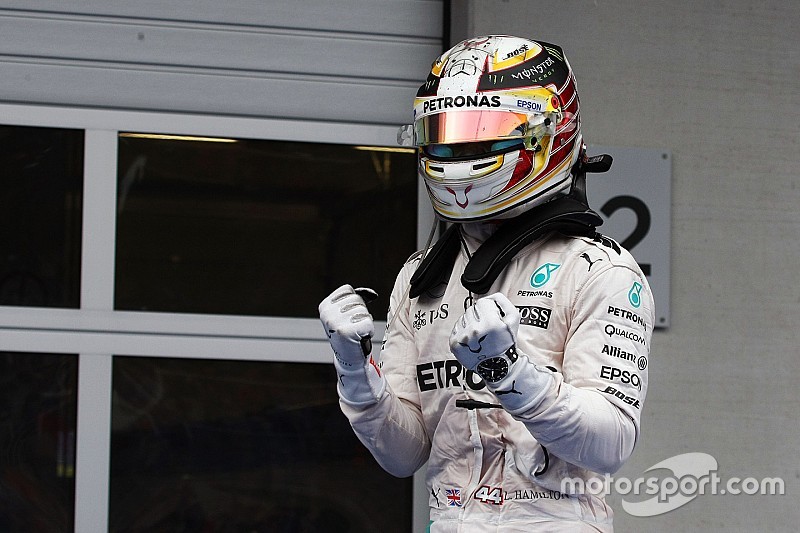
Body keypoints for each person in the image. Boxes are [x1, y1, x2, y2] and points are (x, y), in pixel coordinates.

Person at [319, 35, 653, 532]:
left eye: (483, 134)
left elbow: (610, 444)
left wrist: (509, 372)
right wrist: (355, 371)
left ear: (547, 133)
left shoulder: (599, 270)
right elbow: (402, 454)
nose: (459, 150)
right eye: (447, 133)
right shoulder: (421, 276)